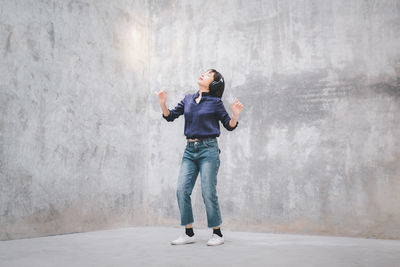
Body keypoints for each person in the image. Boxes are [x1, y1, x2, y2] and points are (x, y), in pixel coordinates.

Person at [157, 69, 243, 246]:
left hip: (208, 150)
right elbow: (170, 116)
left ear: (214, 83)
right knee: (182, 190)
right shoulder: (188, 99)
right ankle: (188, 233)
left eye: (209, 74)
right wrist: (163, 104)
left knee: (208, 191)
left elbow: (229, 125)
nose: (203, 74)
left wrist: (235, 115)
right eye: (204, 72)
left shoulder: (216, 102)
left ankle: (217, 233)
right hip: (190, 151)